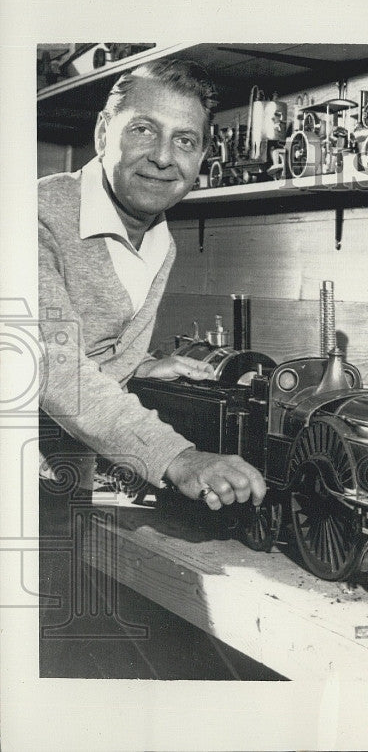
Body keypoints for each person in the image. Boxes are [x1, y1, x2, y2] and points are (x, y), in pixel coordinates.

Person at [38, 58, 265, 511]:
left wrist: (136, 366)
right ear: (104, 133)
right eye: (144, 129)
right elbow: (51, 368)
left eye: (184, 140)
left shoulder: (160, 241)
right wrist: (178, 458)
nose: (163, 157)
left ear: (201, 157)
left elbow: (93, 351)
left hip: (65, 482)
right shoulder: (32, 217)